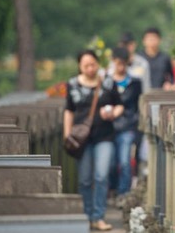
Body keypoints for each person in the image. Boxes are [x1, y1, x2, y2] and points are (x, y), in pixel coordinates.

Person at [63, 49, 123, 231]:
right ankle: (87, 216)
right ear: (80, 67)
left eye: (93, 64)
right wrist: (67, 133)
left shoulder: (107, 82)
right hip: (82, 139)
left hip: (104, 135)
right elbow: (69, 110)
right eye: (86, 65)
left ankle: (99, 216)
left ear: (98, 64)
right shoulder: (73, 84)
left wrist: (113, 113)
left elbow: (120, 105)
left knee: (102, 175)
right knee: (85, 179)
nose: (90, 68)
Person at [110, 47, 142, 208]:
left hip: (127, 126)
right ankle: (112, 190)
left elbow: (137, 107)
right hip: (108, 128)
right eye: (117, 64)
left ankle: (123, 193)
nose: (120, 67)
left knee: (124, 161)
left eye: (123, 64)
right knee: (110, 162)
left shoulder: (135, 83)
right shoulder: (106, 82)